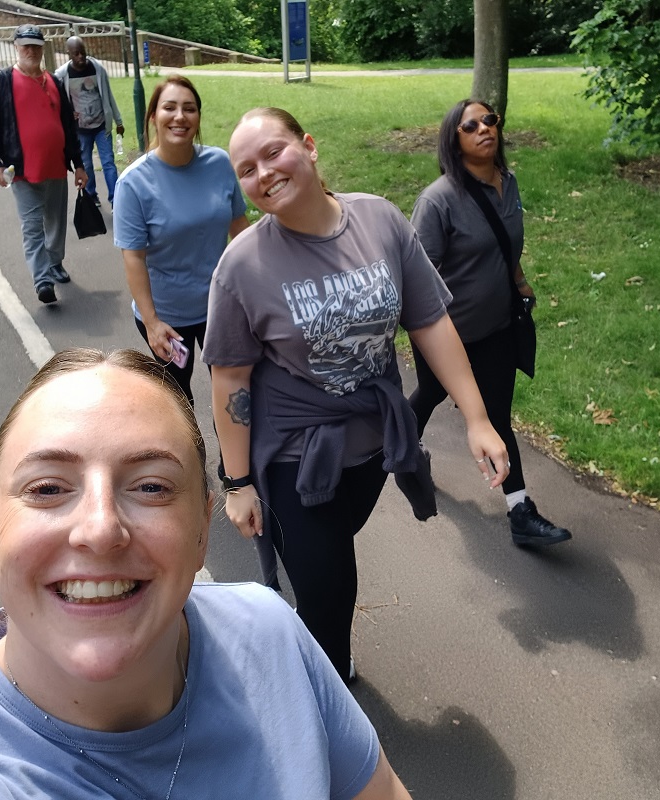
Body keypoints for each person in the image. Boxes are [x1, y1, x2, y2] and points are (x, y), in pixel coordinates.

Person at [0, 347, 412, 800]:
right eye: (47, 488)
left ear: (202, 531)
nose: (100, 529)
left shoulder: (268, 632)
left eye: (152, 487)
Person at [202, 107, 509, 684]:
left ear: (309, 146)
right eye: (246, 170)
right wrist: (238, 483)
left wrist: (477, 418)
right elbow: (231, 380)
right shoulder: (241, 266)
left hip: (371, 441)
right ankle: (324, 690)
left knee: (336, 551)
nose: (263, 173)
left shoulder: (379, 220)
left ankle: (320, 653)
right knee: (329, 589)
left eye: (273, 153)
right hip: (295, 453)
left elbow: (430, 322)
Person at [409, 98, 573, 547]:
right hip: (446, 334)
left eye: (489, 120)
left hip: (497, 326)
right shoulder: (438, 200)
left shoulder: (508, 182)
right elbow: (417, 275)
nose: (483, 128)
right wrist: (436, 333)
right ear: (453, 139)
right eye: (470, 125)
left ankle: (520, 510)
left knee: (496, 415)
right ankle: (402, 450)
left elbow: (507, 243)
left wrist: (519, 280)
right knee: (430, 393)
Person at [113, 76, 248, 408]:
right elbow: (134, 258)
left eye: (189, 109)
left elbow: (240, 228)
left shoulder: (219, 163)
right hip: (168, 318)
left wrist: (259, 287)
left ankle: (229, 447)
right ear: (153, 117)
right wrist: (152, 323)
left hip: (221, 306)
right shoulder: (133, 183)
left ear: (198, 117)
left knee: (234, 394)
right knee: (177, 400)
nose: (180, 116)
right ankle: (189, 445)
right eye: (169, 107)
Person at [0, 24, 88, 305]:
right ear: (16, 47)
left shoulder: (54, 81)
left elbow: (68, 127)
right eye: (26, 46)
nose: (31, 51)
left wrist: (79, 164)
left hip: (56, 167)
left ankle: (54, 262)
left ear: (43, 49)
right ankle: (43, 281)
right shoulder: (3, 81)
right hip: (22, 171)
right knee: (32, 227)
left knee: (55, 223)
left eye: (36, 46)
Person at [54, 36, 124, 209]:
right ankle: (92, 196)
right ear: (69, 54)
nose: (81, 57)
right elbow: (58, 102)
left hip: (101, 126)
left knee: (108, 163)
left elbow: (108, 96)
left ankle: (116, 200)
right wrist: (68, 113)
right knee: (86, 165)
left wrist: (118, 121)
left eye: (83, 52)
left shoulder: (97, 69)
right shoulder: (62, 75)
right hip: (80, 130)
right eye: (76, 53)